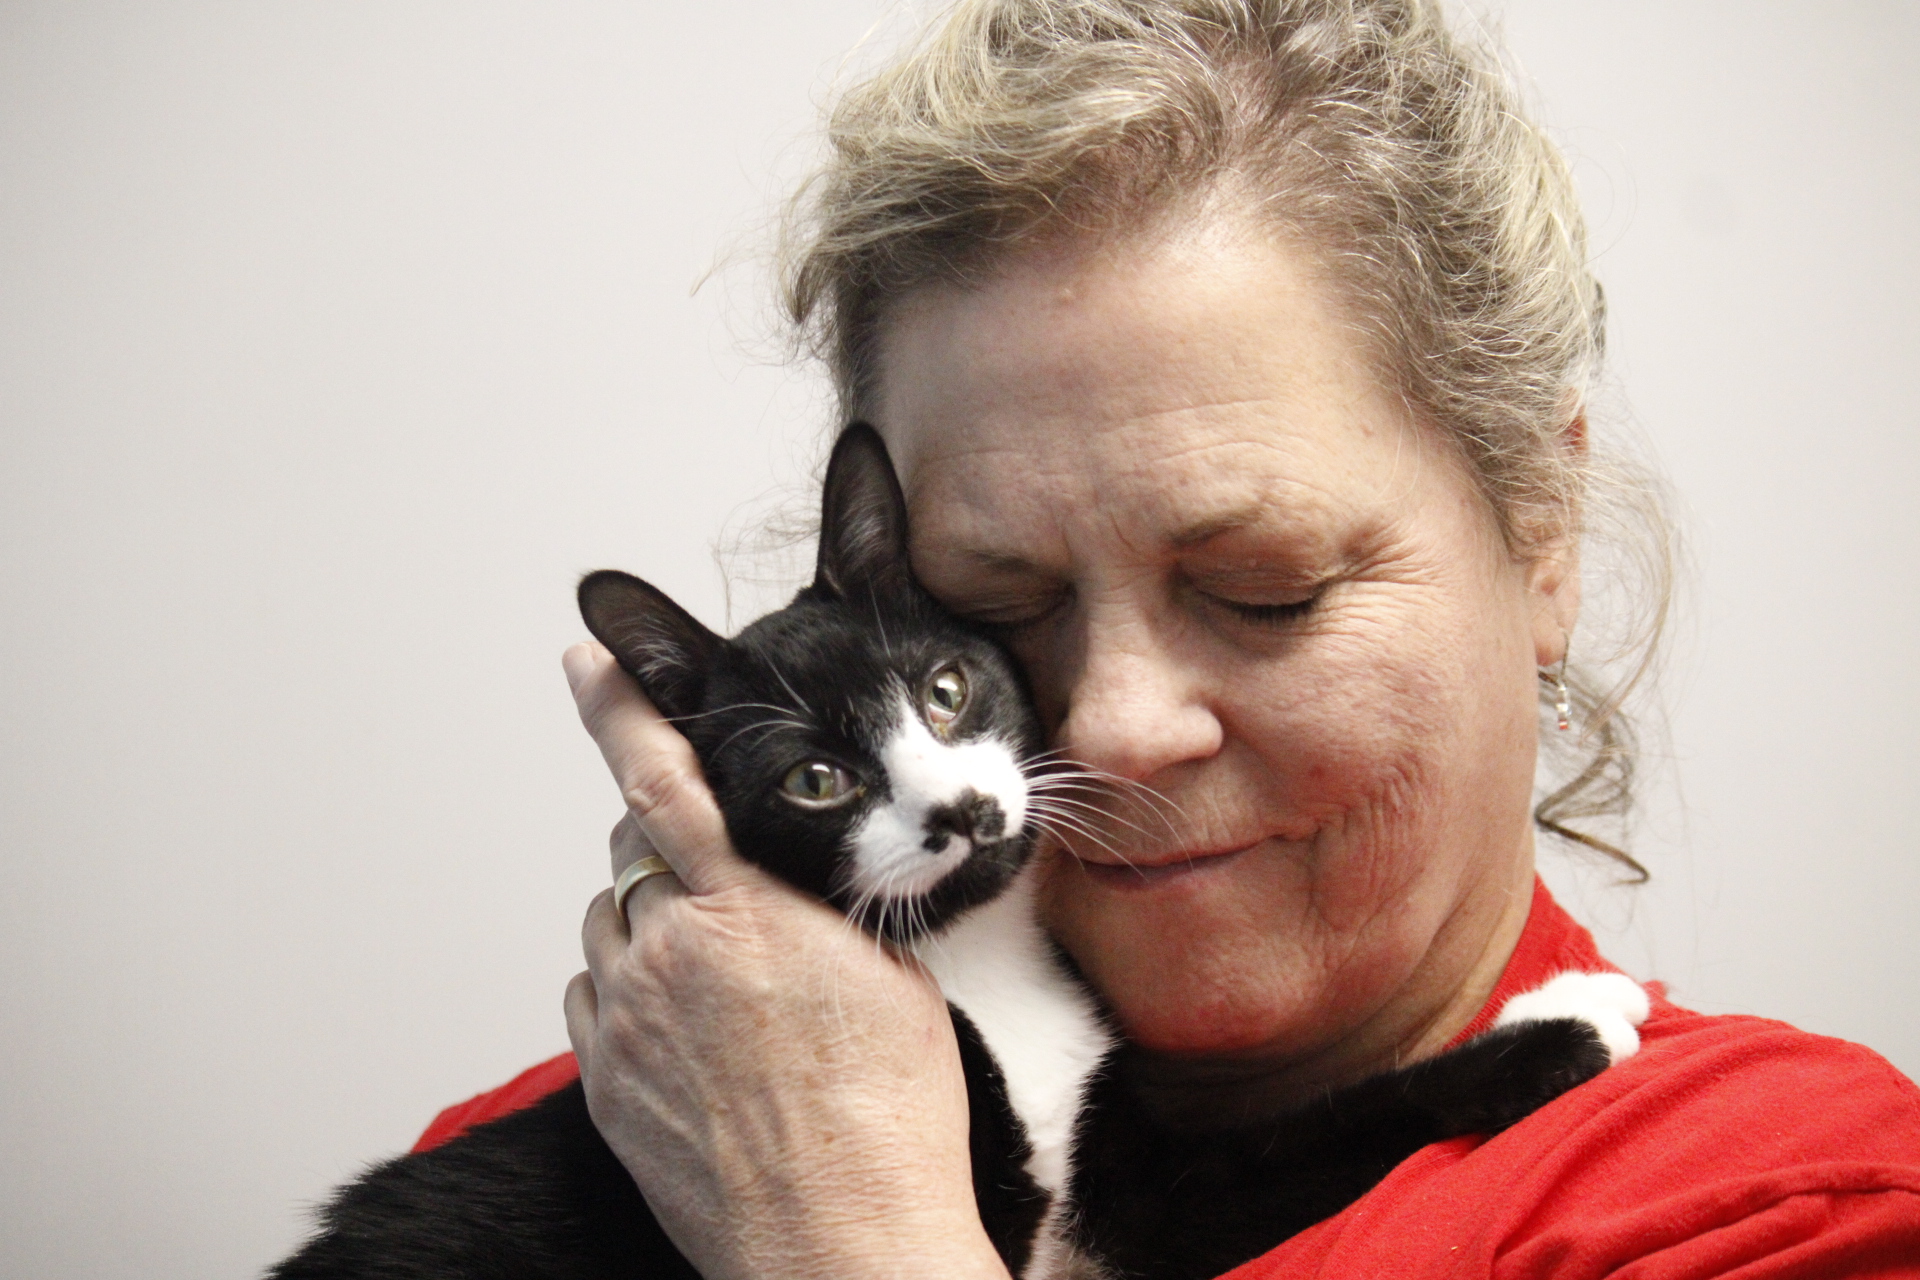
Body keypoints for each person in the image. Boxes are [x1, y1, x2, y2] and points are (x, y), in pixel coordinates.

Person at [420, 2, 1920, 1275]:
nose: (1121, 727)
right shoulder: (599, 1140)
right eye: (997, 608)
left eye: (1262, 586)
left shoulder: (1784, 1207)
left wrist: (854, 1236)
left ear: (1542, 535)